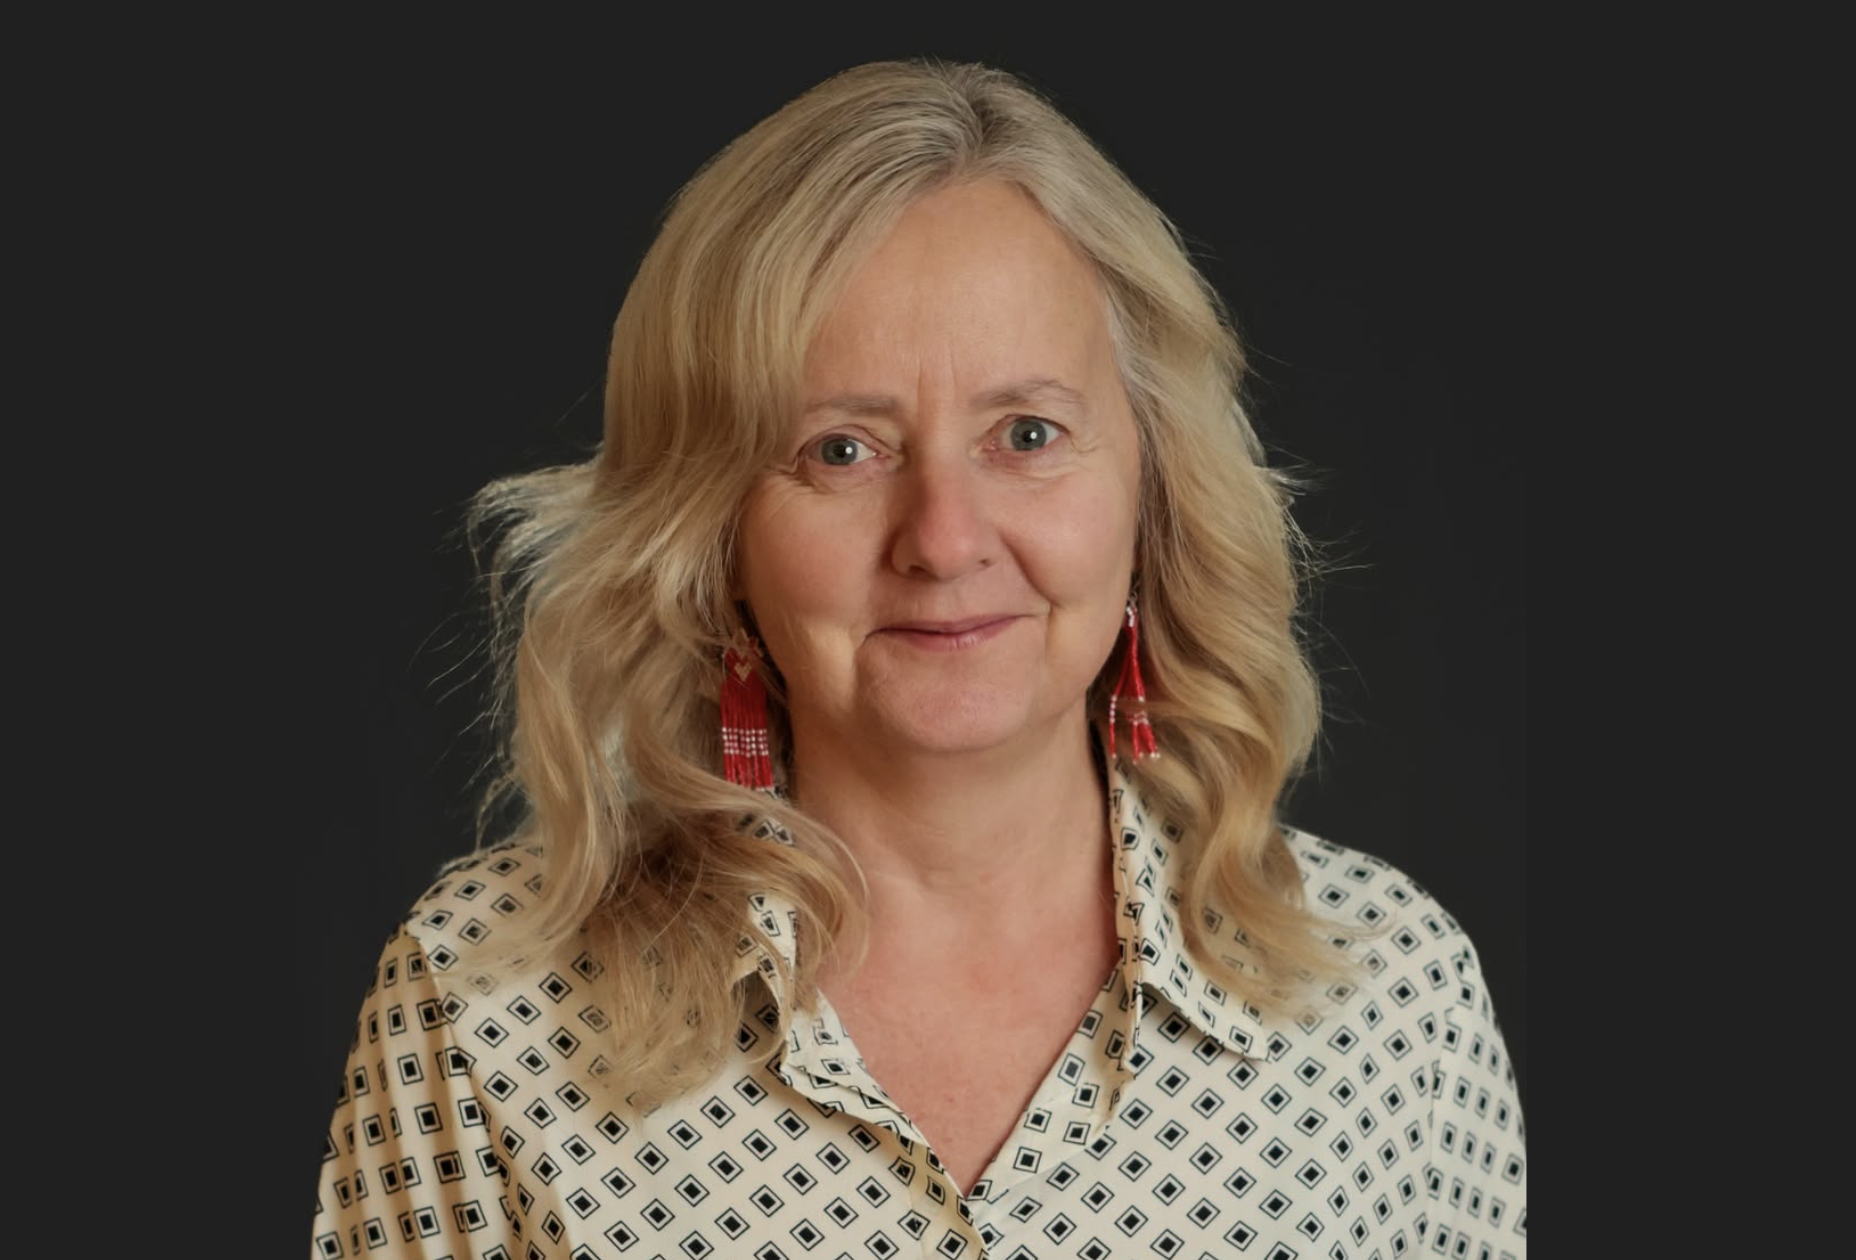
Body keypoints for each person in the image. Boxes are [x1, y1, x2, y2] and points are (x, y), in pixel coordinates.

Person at [311, 58, 1526, 1260]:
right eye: (840, 450)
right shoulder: (483, 1003)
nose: (943, 540)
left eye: (1028, 434)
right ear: (714, 530)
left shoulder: (1387, 1000)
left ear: (1150, 492)